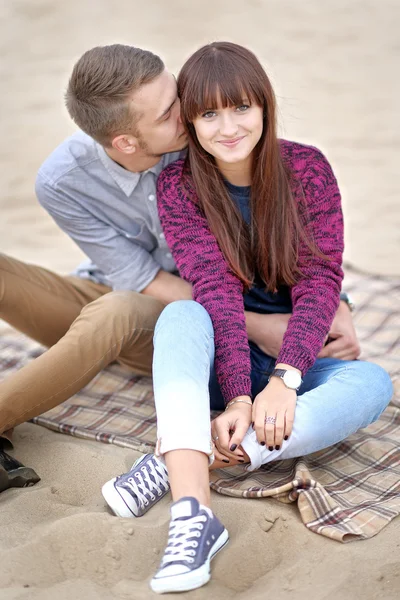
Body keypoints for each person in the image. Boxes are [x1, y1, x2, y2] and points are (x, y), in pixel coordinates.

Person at [0, 44, 359, 492]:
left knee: (121, 312)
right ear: (127, 142)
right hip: (135, 294)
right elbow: (142, 280)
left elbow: (290, 227)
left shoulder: (209, 138)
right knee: (101, 303)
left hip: (182, 315)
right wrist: (259, 326)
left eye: (179, 95)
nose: (191, 111)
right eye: (172, 110)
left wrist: (332, 301)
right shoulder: (63, 181)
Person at [102, 42, 393, 594]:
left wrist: (286, 379)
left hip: (298, 355)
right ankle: (194, 517)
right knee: (183, 314)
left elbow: (319, 281)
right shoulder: (178, 185)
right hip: (221, 350)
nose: (228, 127)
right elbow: (215, 289)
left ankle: (185, 460)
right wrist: (239, 394)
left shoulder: (306, 168)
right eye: (209, 113)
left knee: (372, 384)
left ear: (263, 105)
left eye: (241, 108)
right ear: (190, 120)